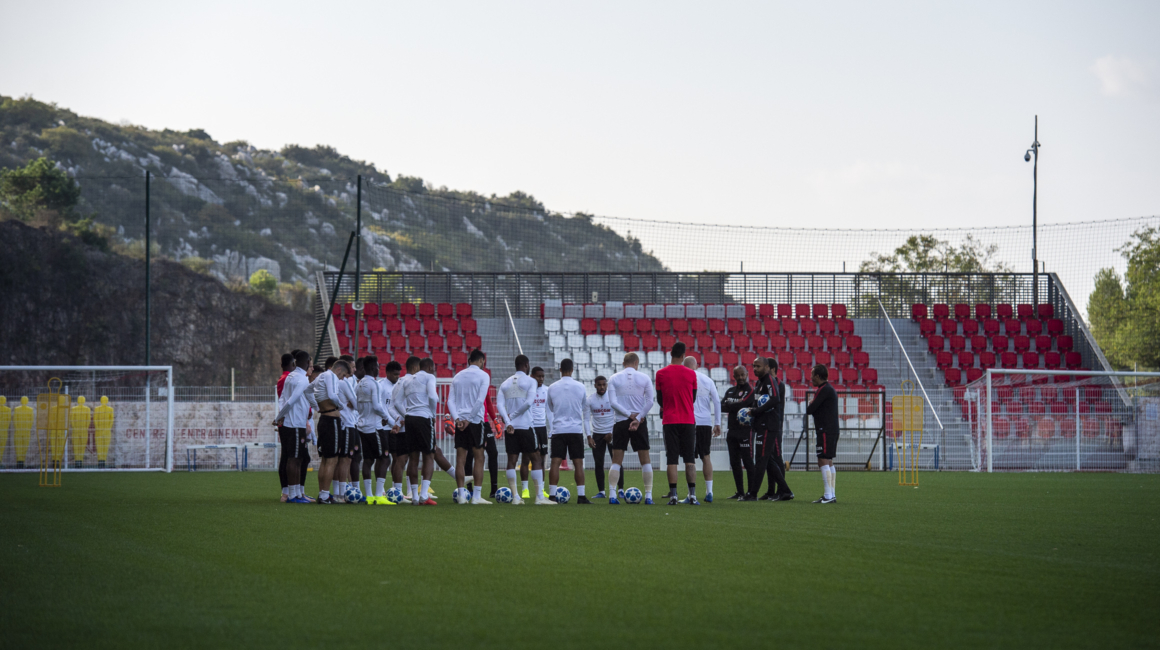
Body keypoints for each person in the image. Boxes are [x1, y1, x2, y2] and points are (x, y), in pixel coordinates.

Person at [729, 357, 792, 502]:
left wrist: (756, 411)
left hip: (768, 426)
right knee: (767, 460)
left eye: (758, 366)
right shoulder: (759, 383)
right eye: (754, 366)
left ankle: (753, 494)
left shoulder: (770, 381)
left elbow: (775, 399)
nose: (755, 369)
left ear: (767, 367)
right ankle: (785, 490)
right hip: (761, 425)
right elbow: (758, 403)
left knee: (761, 460)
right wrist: (750, 414)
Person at [498, 355, 550, 505]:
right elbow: (528, 403)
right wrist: (513, 416)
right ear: (527, 365)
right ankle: (539, 497)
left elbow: (500, 406)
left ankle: (515, 497)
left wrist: (508, 421)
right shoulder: (531, 381)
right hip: (526, 426)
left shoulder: (505, 383)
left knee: (512, 461)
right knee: (536, 459)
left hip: (511, 428)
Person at [606, 352, 656, 505]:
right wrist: (638, 417)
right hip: (639, 422)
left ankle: (612, 495)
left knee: (616, 460)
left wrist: (629, 415)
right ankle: (648, 496)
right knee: (645, 460)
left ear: (623, 363)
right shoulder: (644, 377)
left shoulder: (614, 378)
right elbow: (650, 401)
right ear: (636, 363)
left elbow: (613, 403)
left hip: (621, 421)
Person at [654, 341, 699, 505]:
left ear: (671, 354)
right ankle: (692, 495)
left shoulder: (660, 374)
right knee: (690, 459)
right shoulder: (691, 374)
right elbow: (693, 398)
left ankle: (673, 496)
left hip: (670, 420)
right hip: (688, 420)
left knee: (672, 459)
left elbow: (660, 400)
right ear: (683, 356)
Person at [447, 349, 493, 505]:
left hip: (460, 421)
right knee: (479, 457)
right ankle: (476, 497)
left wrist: (457, 419)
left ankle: (461, 496)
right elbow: (480, 400)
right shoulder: (484, 375)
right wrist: (469, 419)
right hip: (475, 421)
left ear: (469, 361)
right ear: (481, 361)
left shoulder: (458, 376)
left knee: (460, 459)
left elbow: (450, 401)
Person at [396, 355, 439, 505]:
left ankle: (414, 496)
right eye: (433, 369)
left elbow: (397, 402)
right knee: (429, 455)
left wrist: (406, 415)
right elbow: (433, 397)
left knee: (413, 458)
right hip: (424, 418)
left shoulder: (406, 380)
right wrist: (433, 414)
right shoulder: (429, 377)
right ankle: (424, 494)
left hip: (410, 419)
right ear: (429, 367)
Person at [546, 358, 588, 504]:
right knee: (578, 463)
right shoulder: (581, 387)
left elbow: (551, 407)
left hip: (558, 429)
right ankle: (581, 496)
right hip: (575, 429)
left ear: (560, 370)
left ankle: (552, 496)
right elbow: (583, 405)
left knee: (555, 462)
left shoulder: (552, 387)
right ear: (572, 370)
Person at [273, 350, 312, 503]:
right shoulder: (301, 379)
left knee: (296, 458)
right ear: (307, 363)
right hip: (295, 423)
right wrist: (278, 417)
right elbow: (290, 401)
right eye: (310, 363)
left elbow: (283, 399)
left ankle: (296, 493)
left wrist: (281, 416)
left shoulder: (291, 376)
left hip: (293, 422)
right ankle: (292, 494)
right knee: (294, 458)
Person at [311, 357, 352, 504]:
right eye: (343, 375)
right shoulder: (331, 376)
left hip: (324, 419)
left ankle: (323, 494)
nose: (342, 379)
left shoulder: (321, 376)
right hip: (331, 421)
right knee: (332, 459)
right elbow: (333, 395)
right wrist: (341, 406)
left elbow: (307, 391)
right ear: (339, 370)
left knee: (325, 459)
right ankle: (324, 495)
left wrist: (316, 406)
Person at [355, 356, 394, 505]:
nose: (379, 368)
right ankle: (378, 495)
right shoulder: (375, 384)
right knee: (385, 458)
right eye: (377, 366)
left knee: (368, 460)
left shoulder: (359, 384)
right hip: (375, 427)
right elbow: (377, 407)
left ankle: (369, 496)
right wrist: (388, 420)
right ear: (373, 368)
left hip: (362, 426)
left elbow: (356, 405)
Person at [683, 356, 722, 502]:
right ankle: (709, 492)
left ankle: (691, 494)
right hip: (705, 422)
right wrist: (717, 423)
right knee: (706, 456)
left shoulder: (683, 378)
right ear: (696, 365)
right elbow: (717, 401)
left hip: (689, 422)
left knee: (690, 459)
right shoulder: (707, 379)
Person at [806, 364, 840, 504]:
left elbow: (810, 409)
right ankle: (831, 494)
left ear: (818, 376)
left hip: (825, 430)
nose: (811, 378)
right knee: (829, 461)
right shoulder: (829, 389)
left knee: (822, 459)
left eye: (812, 375)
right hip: (831, 429)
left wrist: (811, 403)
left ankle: (828, 495)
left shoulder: (823, 389)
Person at [720, 366, 754, 499]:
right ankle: (740, 492)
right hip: (732, 431)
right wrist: (738, 404)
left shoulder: (750, 390)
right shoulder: (730, 391)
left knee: (747, 461)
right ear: (733, 376)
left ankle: (751, 492)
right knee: (734, 463)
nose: (740, 378)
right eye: (738, 375)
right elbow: (721, 406)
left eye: (742, 375)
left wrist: (733, 405)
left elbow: (744, 404)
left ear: (747, 374)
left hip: (745, 431)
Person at [585, 376, 621, 499]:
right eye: (599, 385)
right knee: (598, 463)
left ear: (606, 385)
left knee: (617, 462)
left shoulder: (612, 398)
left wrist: (611, 432)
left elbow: (618, 415)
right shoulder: (590, 400)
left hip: (612, 433)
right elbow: (586, 419)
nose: (601, 387)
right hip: (597, 435)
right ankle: (601, 491)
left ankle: (620, 489)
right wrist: (589, 437)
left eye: (603, 384)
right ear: (595, 385)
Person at [336, 355, 362, 503]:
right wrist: (355, 402)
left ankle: (344, 490)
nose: (354, 369)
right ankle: (341, 493)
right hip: (347, 423)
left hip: (348, 423)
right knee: (345, 459)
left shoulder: (344, 381)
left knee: (347, 459)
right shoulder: (344, 382)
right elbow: (356, 404)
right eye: (352, 367)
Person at [523, 366, 551, 500]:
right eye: (538, 376)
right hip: (529, 427)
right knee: (526, 458)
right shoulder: (527, 390)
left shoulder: (546, 390)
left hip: (542, 428)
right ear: (532, 376)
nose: (541, 379)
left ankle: (542, 489)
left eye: (542, 376)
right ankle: (525, 489)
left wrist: (551, 428)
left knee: (542, 459)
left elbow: (549, 410)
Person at [377, 360, 403, 501]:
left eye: (398, 374)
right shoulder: (381, 386)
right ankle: (380, 489)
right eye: (394, 374)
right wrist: (393, 422)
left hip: (397, 428)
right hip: (384, 428)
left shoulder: (400, 385)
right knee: (383, 459)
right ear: (387, 373)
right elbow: (381, 408)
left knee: (397, 458)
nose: (397, 377)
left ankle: (395, 490)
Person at [275, 353, 295, 502]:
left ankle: (292, 491)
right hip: (288, 421)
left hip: (290, 420)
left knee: (291, 456)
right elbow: (286, 401)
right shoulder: (287, 379)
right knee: (287, 456)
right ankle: (286, 491)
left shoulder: (287, 378)